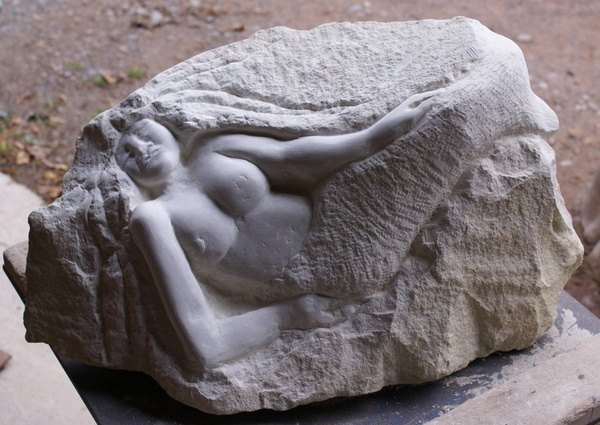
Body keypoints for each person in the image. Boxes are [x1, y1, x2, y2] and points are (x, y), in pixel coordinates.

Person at [116, 88, 443, 367]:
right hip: (312, 284)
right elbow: (206, 345)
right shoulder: (153, 217)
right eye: (127, 153)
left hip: (344, 217)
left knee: (444, 124)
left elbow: (290, 156)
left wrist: (373, 137)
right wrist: (289, 315)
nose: (142, 149)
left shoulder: (213, 148)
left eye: (143, 135)